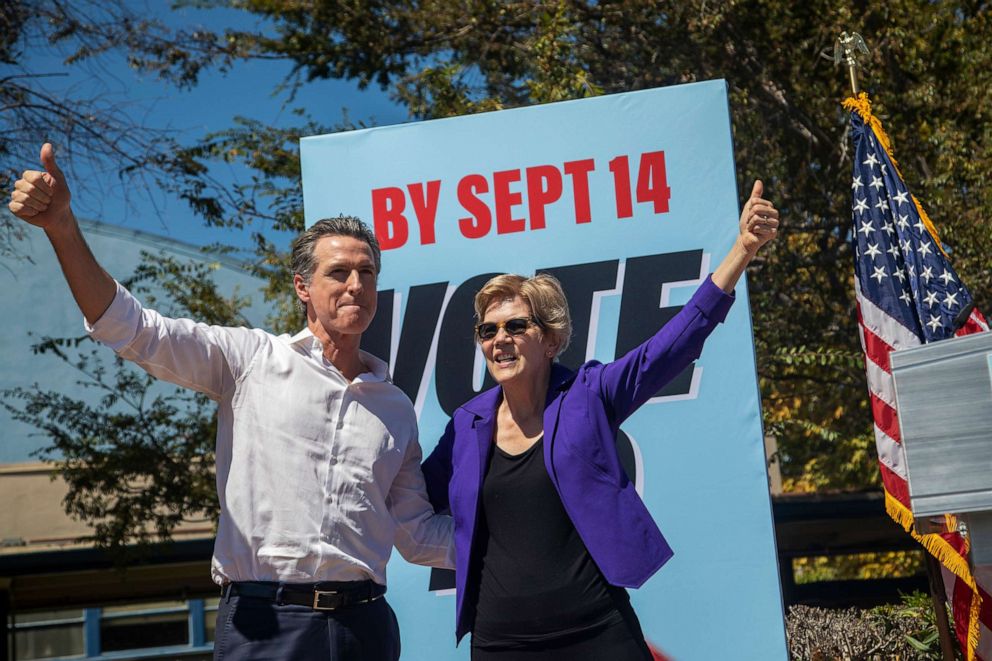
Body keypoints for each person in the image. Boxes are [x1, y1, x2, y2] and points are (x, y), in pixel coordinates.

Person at [8, 144, 453, 661]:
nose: (356, 285)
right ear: (302, 287)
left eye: (367, 272)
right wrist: (63, 227)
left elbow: (418, 535)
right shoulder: (250, 360)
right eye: (339, 273)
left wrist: (531, 536)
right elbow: (132, 330)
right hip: (267, 625)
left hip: (367, 628)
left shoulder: (395, 407)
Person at [421, 181, 779, 660]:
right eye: (488, 330)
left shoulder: (589, 395)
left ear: (549, 340)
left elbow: (672, 346)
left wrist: (743, 250)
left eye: (515, 326)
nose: (499, 339)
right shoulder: (466, 425)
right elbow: (411, 493)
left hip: (596, 632)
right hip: (501, 642)